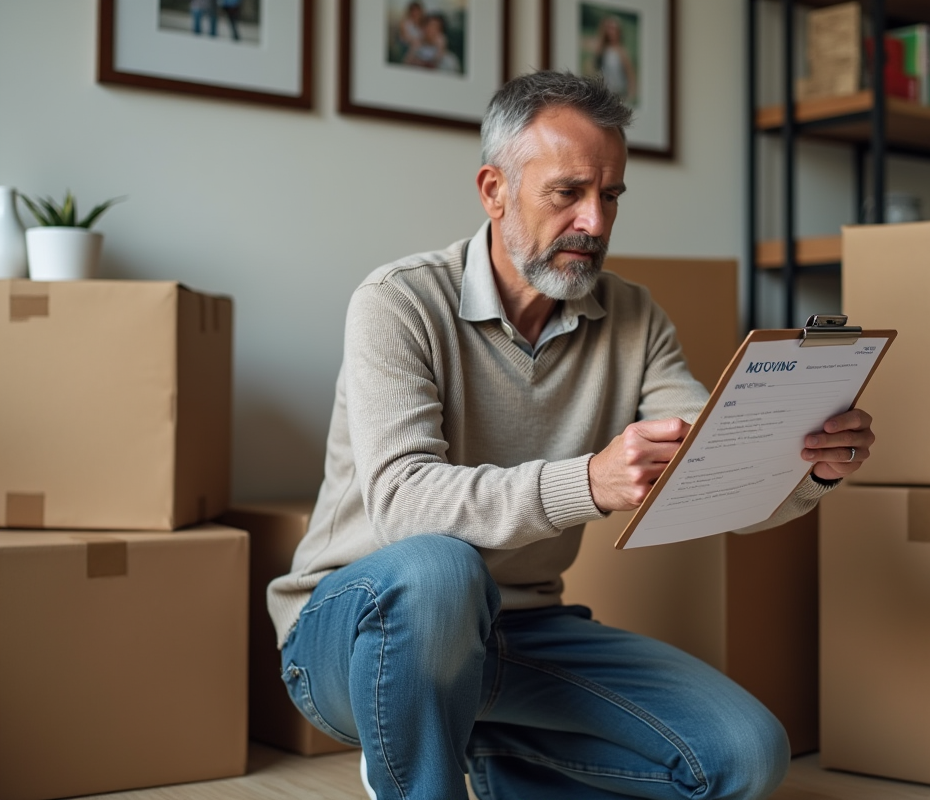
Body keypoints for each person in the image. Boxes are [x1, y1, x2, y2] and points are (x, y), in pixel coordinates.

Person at [267, 70, 876, 800]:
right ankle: (417, 769)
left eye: (611, 195)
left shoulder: (634, 317)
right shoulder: (398, 302)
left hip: (520, 634)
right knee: (438, 569)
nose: (595, 220)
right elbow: (402, 505)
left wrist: (804, 466)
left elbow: (708, 460)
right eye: (568, 193)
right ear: (494, 190)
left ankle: (478, 752)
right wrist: (587, 482)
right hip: (359, 635)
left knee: (745, 755)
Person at [594, 16, 636, 104]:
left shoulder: (622, 51)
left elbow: (630, 74)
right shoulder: (603, 49)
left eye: (613, 29)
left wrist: (630, 95)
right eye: (609, 29)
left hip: (619, 93)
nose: (611, 32)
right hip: (604, 92)